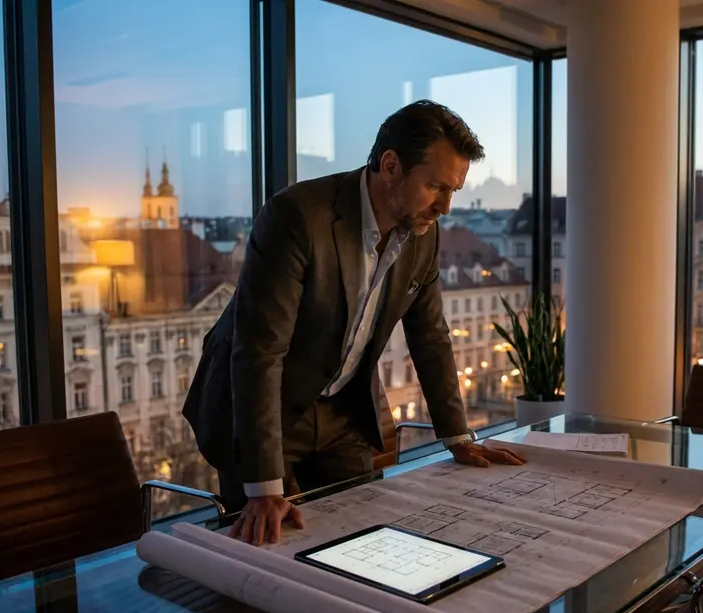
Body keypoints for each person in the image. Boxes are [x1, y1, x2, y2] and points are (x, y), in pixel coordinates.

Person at [184, 100, 526, 546]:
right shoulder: (297, 216)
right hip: (259, 407)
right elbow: (260, 351)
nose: (445, 207)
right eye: (436, 187)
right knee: (265, 552)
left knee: (364, 536)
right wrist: (264, 487)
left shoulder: (423, 233)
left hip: (342, 409)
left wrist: (457, 436)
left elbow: (430, 336)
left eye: (454, 191)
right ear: (391, 166)